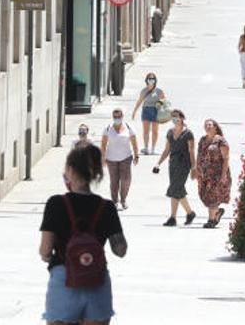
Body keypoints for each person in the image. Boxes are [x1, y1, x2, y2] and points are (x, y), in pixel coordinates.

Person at [39, 144, 127, 325]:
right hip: (97, 280)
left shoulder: (56, 203)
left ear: (70, 170)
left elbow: (45, 250)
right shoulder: (107, 207)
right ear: (96, 173)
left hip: (64, 280)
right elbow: (120, 249)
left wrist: (48, 257)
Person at [153, 109, 197, 227]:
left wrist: (194, 168)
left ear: (182, 117)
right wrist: (158, 163)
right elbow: (167, 150)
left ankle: (173, 217)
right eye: (172, 117)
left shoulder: (188, 133)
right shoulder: (169, 132)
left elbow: (192, 151)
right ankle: (189, 213)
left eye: (176, 116)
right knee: (177, 189)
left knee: (175, 188)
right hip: (172, 164)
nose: (174, 119)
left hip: (184, 164)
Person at [100, 108, 140, 210]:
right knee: (114, 181)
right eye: (115, 117)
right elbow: (103, 144)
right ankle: (114, 201)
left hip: (126, 158)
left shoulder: (128, 127)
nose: (117, 118)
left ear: (122, 117)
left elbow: (134, 142)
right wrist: (103, 157)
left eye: (119, 117)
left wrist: (136, 155)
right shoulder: (108, 128)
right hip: (111, 159)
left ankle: (123, 199)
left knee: (126, 180)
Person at [196, 119, 231, 229]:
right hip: (204, 174)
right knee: (204, 196)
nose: (207, 127)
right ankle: (217, 214)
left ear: (215, 127)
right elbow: (199, 156)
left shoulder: (221, 141)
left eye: (210, 125)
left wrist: (224, 175)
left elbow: (226, 159)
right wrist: (197, 171)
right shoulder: (202, 140)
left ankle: (211, 220)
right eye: (206, 125)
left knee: (212, 196)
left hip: (217, 173)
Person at [131, 72, 165, 155]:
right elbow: (140, 101)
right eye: (150, 79)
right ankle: (146, 148)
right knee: (146, 131)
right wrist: (134, 111)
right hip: (146, 110)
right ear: (147, 80)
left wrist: (160, 103)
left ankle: (153, 148)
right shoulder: (144, 90)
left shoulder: (159, 91)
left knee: (155, 131)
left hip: (155, 111)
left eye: (153, 79)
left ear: (155, 80)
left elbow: (164, 100)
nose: (151, 80)